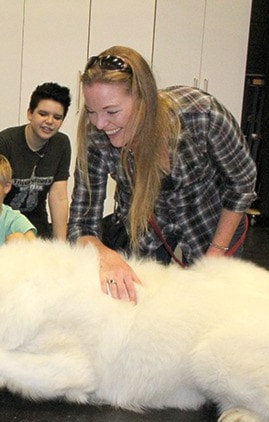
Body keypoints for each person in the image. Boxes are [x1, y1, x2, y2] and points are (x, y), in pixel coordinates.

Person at [68, 46, 257, 303]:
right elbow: (81, 224)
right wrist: (105, 255)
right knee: (142, 305)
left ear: (144, 100)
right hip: (144, 230)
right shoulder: (96, 137)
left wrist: (216, 253)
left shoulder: (202, 115)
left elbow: (242, 182)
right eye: (91, 112)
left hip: (211, 224)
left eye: (112, 112)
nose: (100, 124)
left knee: (212, 305)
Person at [0, 82, 72, 239]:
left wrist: (61, 246)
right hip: (1, 224)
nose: (49, 121)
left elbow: (59, 196)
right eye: (43, 114)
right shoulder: (5, 142)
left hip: (37, 227)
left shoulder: (62, 144)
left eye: (57, 117)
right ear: (29, 114)